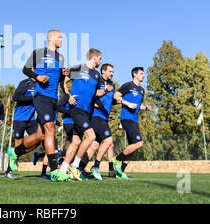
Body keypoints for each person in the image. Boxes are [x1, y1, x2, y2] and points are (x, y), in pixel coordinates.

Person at [7, 30, 70, 182]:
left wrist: (64, 74)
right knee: (50, 130)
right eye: (59, 37)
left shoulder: (60, 57)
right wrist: (38, 77)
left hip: (53, 97)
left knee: (41, 135)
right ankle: (55, 171)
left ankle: (14, 152)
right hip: (41, 96)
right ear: (51, 39)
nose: (61, 39)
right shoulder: (39, 53)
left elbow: (58, 78)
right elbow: (25, 69)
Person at [59, 49, 112, 181]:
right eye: (100, 59)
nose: (101, 61)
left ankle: (63, 170)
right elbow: (64, 81)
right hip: (76, 108)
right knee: (91, 136)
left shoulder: (96, 75)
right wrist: (68, 95)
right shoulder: (79, 68)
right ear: (95, 58)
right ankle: (75, 166)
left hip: (86, 112)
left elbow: (96, 93)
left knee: (76, 141)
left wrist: (105, 90)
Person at [112, 67, 152, 180]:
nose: (143, 75)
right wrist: (127, 103)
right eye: (141, 73)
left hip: (134, 119)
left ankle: (120, 173)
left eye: (143, 73)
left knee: (133, 148)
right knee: (139, 143)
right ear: (135, 74)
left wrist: (146, 108)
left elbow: (138, 106)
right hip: (126, 118)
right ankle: (117, 159)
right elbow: (116, 96)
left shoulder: (142, 90)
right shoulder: (128, 85)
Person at [85, 63, 118, 180]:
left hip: (104, 118)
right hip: (95, 117)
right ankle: (96, 166)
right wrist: (94, 103)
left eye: (113, 72)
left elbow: (109, 100)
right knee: (109, 140)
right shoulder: (97, 81)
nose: (112, 73)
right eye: (110, 71)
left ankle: (79, 168)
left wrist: (117, 101)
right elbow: (90, 94)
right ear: (103, 71)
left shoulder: (112, 85)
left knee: (94, 146)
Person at [4, 77, 36, 179]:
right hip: (20, 118)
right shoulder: (25, 83)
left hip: (32, 119)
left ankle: (15, 153)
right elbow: (16, 97)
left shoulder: (40, 84)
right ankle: (8, 171)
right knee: (18, 143)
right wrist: (32, 97)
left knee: (38, 139)